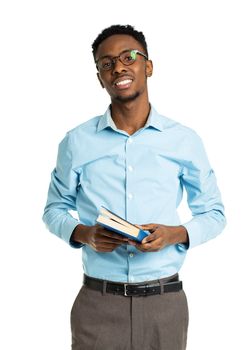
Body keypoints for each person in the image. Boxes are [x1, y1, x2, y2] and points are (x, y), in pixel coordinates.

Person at [42, 24, 226, 350]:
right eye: (107, 63)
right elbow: (54, 209)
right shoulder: (76, 142)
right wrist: (85, 234)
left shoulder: (183, 140)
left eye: (129, 57)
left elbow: (213, 213)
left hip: (163, 303)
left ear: (148, 66)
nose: (119, 68)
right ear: (100, 77)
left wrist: (175, 234)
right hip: (98, 304)